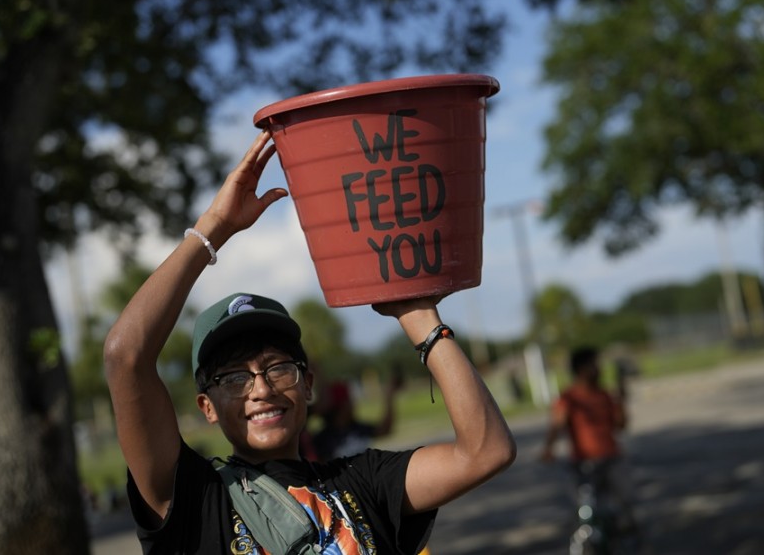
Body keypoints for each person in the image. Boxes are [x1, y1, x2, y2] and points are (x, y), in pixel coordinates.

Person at [103, 129, 516, 554]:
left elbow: (486, 451)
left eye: (277, 368)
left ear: (308, 384)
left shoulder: (363, 480)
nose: (261, 389)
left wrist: (421, 319)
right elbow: (125, 357)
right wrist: (214, 228)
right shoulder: (194, 498)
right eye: (233, 378)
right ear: (206, 406)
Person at [540, 345, 637, 532]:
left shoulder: (605, 395)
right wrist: (548, 449)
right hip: (583, 463)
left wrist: (622, 402)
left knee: (625, 502)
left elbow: (621, 426)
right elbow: (557, 424)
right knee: (586, 510)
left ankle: (627, 535)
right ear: (582, 369)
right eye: (594, 364)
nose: (599, 369)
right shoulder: (569, 398)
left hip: (612, 459)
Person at [312, 372, 402, 461]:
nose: (353, 404)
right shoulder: (322, 440)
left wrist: (389, 397)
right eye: (349, 400)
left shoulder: (356, 427)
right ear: (341, 406)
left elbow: (384, 430)